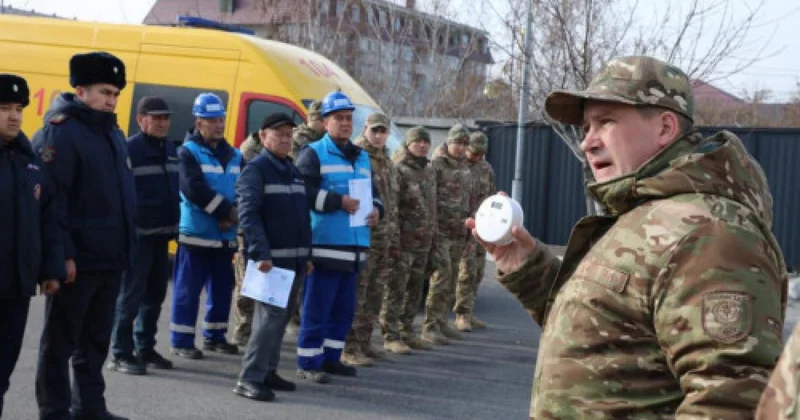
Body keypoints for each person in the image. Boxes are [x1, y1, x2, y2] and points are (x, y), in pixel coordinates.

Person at [465, 56, 787, 418]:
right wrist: (527, 267)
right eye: (586, 127)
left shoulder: (708, 233)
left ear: (665, 127)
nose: (588, 142)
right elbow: (609, 336)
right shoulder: (643, 215)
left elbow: (732, 397)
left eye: (606, 122)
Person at [33, 51, 136, 420]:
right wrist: (63, 255)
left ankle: (90, 408)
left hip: (110, 258)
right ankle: (55, 411)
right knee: (59, 344)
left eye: (115, 94)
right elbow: (53, 201)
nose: (111, 100)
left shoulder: (112, 133)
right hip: (78, 261)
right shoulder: (61, 133)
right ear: (81, 91)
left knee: (94, 343)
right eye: (104, 92)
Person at [294, 90, 382, 383]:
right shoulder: (313, 153)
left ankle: (331, 359)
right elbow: (301, 194)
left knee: (344, 311)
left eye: (348, 119)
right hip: (325, 246)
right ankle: (308, 361)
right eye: (339, 119)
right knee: (317, 309)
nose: (345, 124)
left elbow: (374, 194)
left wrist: (377, 211)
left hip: (355, 247)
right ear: (325, 121)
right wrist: (337, 201)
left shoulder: (362, 157)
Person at [233, 112, 314, 402]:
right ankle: (249, 378)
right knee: (266, 323)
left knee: (279, 323)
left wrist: (306, 254)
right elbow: (248, 215)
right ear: (264, 136)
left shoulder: (290, 169)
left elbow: (301, 216)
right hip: (271, 262)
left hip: (293, 261)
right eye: (278, 134)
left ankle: (268, 371)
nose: (284, 139)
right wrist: (260, 253)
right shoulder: (256, 169)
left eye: (288, 134)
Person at [0, 74, 63, 418]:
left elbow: (47, 221)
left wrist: (50, 270)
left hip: (15, 289)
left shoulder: (29, 161)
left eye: (18, 108)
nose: (14, 116)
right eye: (4, 108)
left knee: (2, 374)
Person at [108, 96, 179, 375]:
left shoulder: (170, 149)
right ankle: (120, 352)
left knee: (154, 297)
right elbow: (121, 195)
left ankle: (145, 348)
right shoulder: (129, 149)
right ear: (140, 119)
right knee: (129, 298)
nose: (162, 123)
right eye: (156, 117)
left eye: (166, 118)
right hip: (138, 238)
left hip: (162, 237)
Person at [170, 92, 242, 359]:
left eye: (221, 119)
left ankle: (215, 336)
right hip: (197, 235)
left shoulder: (234, 154)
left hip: (225, 237)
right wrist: (227, 212)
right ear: (199, 122)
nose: (219, 125)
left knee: (222, 290)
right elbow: (193, 189)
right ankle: (181, 340)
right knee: (187, 291)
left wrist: (233, 215)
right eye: (212, 120)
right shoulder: (188, 152)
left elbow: (243, 187)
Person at [342, 113, 398, 366]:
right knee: (357, 294)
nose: (378, 135)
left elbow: (392, 202)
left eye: (383, 131)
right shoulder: (356, 155)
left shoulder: (386, 159)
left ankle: (364, 342)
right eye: (374, 130)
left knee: (375, 294)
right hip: (364, 236)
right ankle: (349, 347)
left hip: (384, 237)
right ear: (365, 129)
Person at [379, 126, 436, 354]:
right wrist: (393, 240)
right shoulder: (399, 169)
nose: (422, 145)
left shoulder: (429, 171)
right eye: (417, 141)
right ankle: (390, 335)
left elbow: (432, 207)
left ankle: (407, 331)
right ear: (408, 143)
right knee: (396, 288)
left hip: (422, 241)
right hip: (403, 240)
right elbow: (392, 208)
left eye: (425, 141)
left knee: (415, 289)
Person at [421, 124, 473, 345]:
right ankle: (430, 326)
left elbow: (467, 200)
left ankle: (442, 322)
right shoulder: (437, 166)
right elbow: (429, 198)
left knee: (451, 279)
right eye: (457, 143)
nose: (460, 148)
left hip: (458, 231)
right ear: (448, 142)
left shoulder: (465, 167)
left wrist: (469, 232)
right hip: (441, 231)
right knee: (440, 278)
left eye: (464, 144)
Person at [453, 131, 496, 332]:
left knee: (478, 271)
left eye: (481, 154)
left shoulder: (486, 169)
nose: (477, 157)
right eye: (474, 153)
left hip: (483, 226)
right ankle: (461, 314)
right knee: (466, 272)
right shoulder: (458, 167)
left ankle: (469, 311)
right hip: (463, 226)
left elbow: (491, 197)